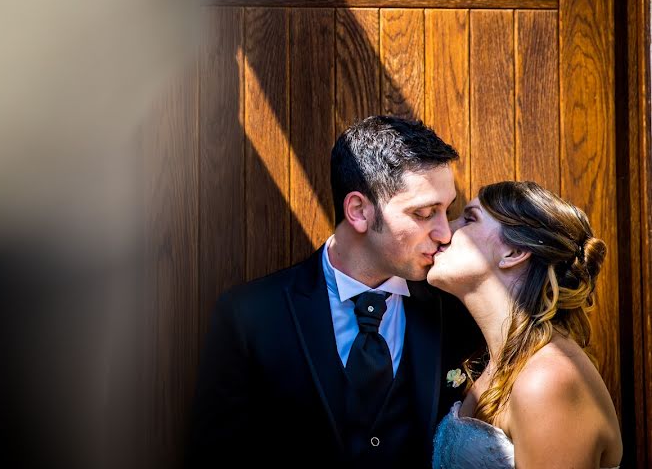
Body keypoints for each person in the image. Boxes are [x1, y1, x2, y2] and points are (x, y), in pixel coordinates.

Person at [186, 115, 480, 468]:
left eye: (446, 211)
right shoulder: (249, 315)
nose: (445, 233)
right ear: (358, 211)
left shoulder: (458, 309)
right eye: (424, 213)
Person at [427, 181, 622, 469]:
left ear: (513, 253)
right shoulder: (493, 363)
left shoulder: (549, 380)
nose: (445, 232)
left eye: (469, 218)